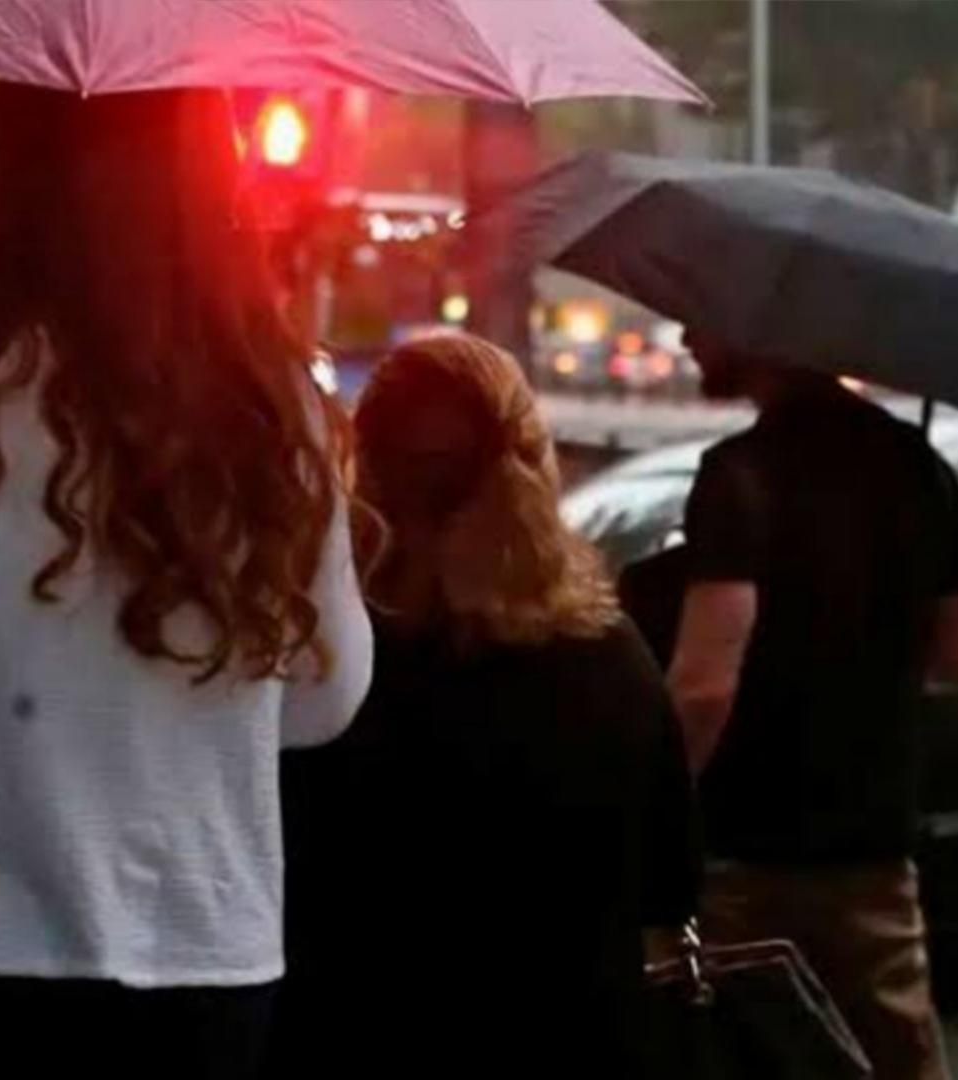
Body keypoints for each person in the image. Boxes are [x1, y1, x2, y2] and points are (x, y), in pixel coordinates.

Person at [0, 86, 372, 1080]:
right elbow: (329, 692)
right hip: (209, 959)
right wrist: (185, 723)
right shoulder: (274, 393)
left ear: (9, 172)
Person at [273, 333, 699, 1079]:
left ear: (363, 464)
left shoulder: (326, 659)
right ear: (531, 455)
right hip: (578, 1041)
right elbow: (668, 882)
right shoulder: (609, 656)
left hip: (358, 1038)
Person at [667, 336, 958, 1080]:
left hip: (745, 853)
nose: (686, 337)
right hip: (872, 846)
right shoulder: (918, 466)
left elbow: (705, 686)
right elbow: (956, 658)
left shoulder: (737, 474)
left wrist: (654, 807)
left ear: (760, 327)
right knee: (892, 1058)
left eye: (699, 319)